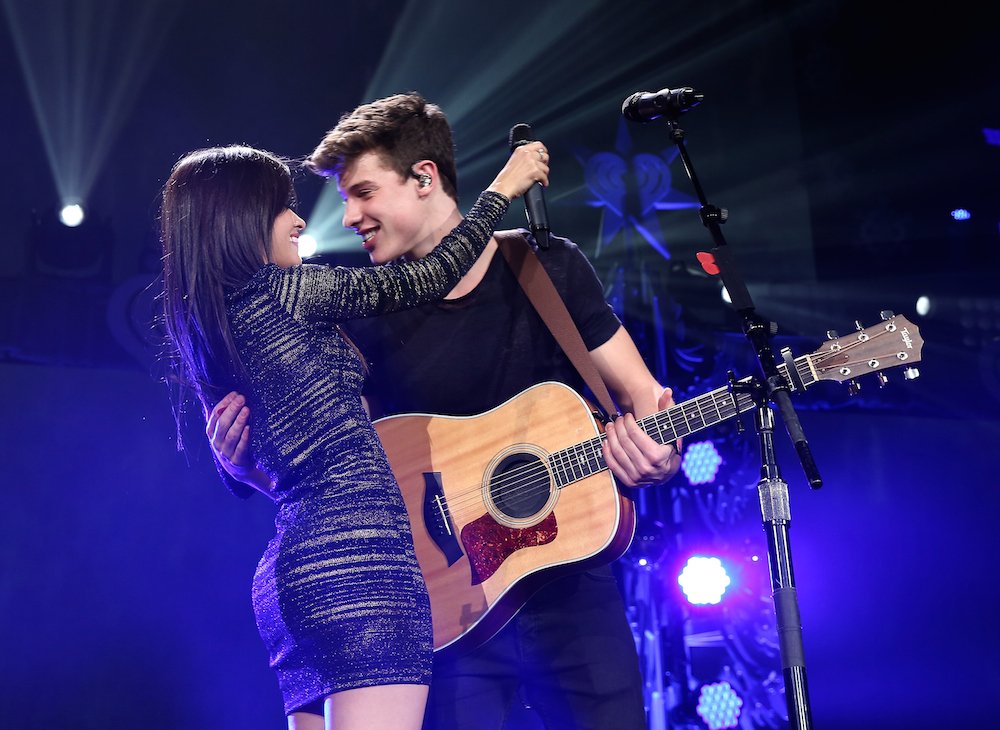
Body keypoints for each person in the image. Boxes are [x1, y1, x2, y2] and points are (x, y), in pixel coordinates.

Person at [209, 93, 682, 730]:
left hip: (572, 586)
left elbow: (645, 399)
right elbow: (341, 478)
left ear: (424, 178)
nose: (348, 217)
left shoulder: (547, 267)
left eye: (363, 193)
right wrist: (249, 471)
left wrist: (659, 454)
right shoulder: (354, 309)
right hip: (444, 606)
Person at [159, 140, 548, 730]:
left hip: (288, 574)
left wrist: (238, 473)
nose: (298, 221)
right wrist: (502, 190)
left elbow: (261, 467)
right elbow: (430, 277)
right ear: (242, 221)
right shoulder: (285, 292)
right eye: (282, 207)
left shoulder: (213, 327)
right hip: (358, 559)